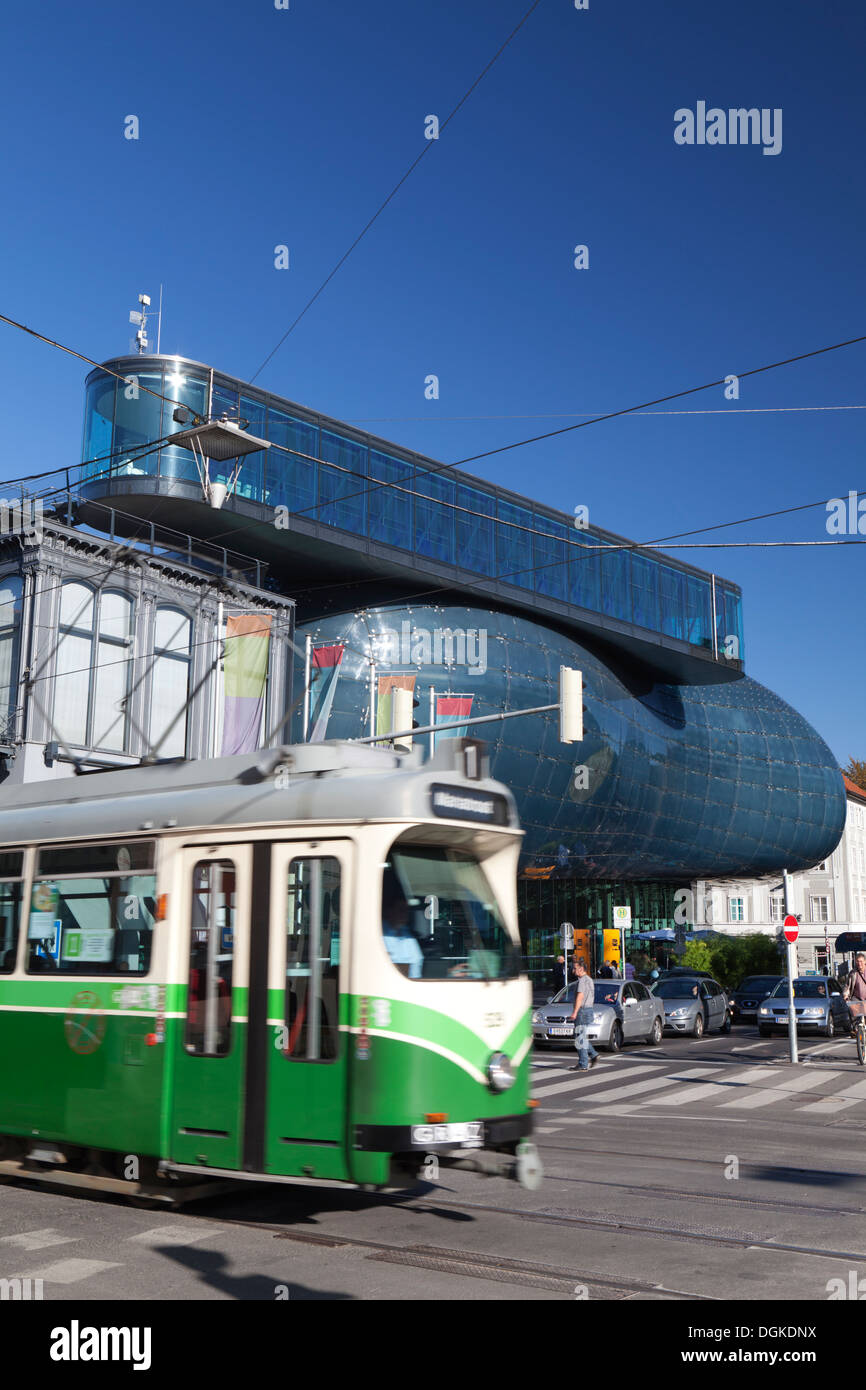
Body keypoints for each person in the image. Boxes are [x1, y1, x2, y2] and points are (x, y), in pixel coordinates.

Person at [382, 892, 424, 979]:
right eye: (401, 910)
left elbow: (417, 961)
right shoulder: (379, 933)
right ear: (390, 911)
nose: (405, 914)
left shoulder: (408, 935)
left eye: (406, 910)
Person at [569, 961, 599, 1072]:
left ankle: (583, 1064)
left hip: (582, 1011)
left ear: (581, 969)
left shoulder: (582, 981)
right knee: (581, 1036)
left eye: (575, 968)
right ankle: (594, 1055)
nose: (573, 970)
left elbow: (580, 997)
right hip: (589, 1010)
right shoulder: (590, 980)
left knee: (579, 1038)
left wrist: (575, 1012)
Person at [844, 951, 866, 1016]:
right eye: (857, 961)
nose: (859, 963)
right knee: (857, 1020)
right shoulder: (853, 973)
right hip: (857, 999)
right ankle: (857, 1025)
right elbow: (847, 986)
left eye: (861, 961)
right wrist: (845, 995)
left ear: (865, 962)